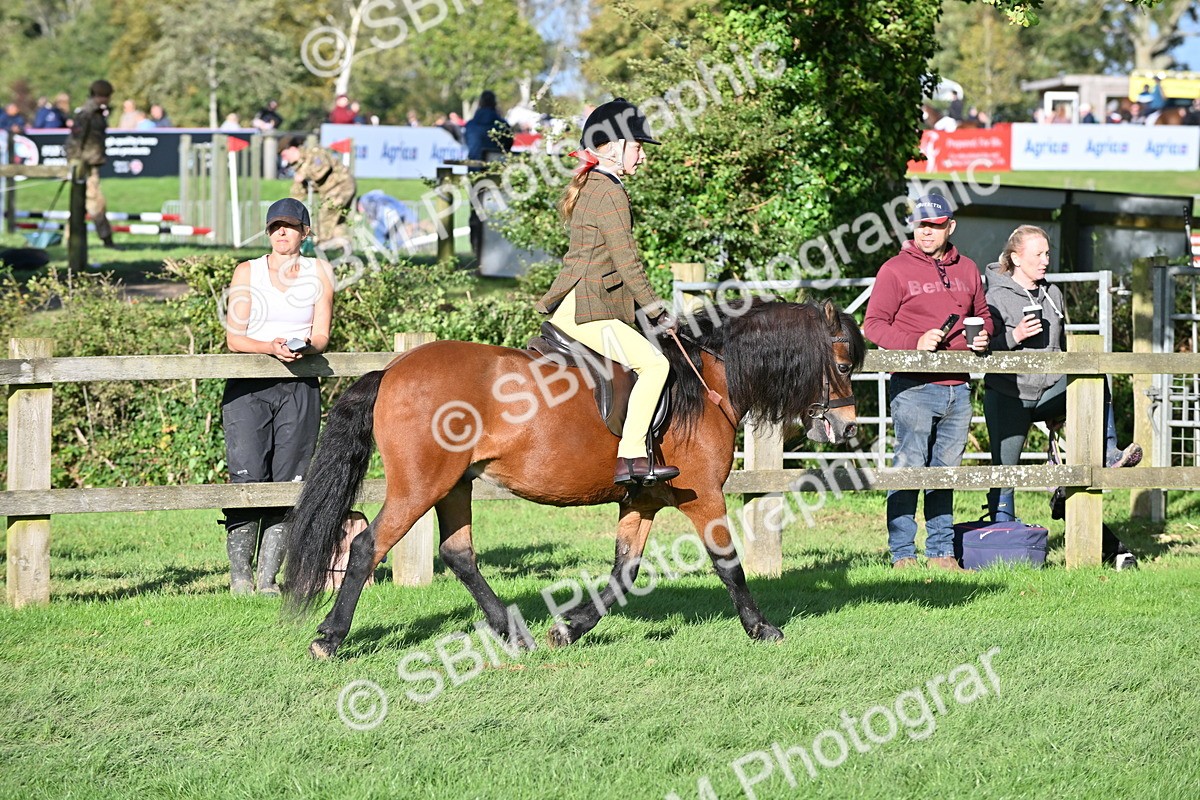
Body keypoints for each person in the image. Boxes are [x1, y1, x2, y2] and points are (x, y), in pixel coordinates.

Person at [535, 98, 679, 486]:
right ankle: (630, 456)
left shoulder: (597, 186)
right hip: (591, 308)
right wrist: (656, 311)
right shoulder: (609, 192)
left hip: (583, 303)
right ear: (614, 147)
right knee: (655, 365)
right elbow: (628, 261)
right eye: (638, 146)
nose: (643, 157)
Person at [863, 193, 992, 571]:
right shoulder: (894, 270)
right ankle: (903, 553)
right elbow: (873, 326)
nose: (927, 233)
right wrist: (914, 344)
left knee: (944, 473)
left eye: (935, 226)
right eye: (921, 225)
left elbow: (983, 315)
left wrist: (983, 334)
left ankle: (940, 552)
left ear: (950, 226)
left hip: (959, 387)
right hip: (914, 387)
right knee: (909, 469)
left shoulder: (968, 269)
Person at [983, 225, 1142, 522]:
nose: (1045, 260)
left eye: (1047, 253)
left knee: (1095, 376)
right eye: (1038, 254)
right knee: (1004, 472)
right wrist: (1014, 336)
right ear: (1016, 258)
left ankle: (1108, 451)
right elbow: (983, 351)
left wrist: (1066, 397)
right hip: (1009, 396)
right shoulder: (995, 296)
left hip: (1048, 391)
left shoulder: (1052, 293)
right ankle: (1001, 539)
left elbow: (1063, 343)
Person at [221, 197, 335, 595]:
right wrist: (270, 346)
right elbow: (234, 338)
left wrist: (306, 346)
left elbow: (322, 333)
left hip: (299, 385)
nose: (280, 233)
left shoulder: (320, 272)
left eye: (288, 226)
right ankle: (240, 576)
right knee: (247, 474)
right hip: (248, 385)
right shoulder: (247, 272)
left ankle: (269, 578)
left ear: (305, 232)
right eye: (274, 227)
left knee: (291, 477)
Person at [65, 79, 115, 249]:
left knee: (80, 203)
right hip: (83, 166)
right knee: (96, 202)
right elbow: (75, 141)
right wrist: (75, 164)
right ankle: (106, 239)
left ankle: (70, 237)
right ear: (102, 96)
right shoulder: (86, 113)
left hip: (90, 164)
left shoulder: (97, 112)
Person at [464, 90, 514, 259]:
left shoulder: (470, 125)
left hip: (475, 174)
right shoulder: (502, 124)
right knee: (497, 213)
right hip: (496, 174)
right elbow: (508, 146)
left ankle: (476, 251)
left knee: (475, 212)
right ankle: (495, 254)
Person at [279, 136, 357, 245]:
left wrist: (305, 174)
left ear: (292, 149)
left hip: (341, 185)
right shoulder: (298, 166)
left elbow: (323, 168)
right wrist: (289, 210)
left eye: (284, 155)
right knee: (337, 223)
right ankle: (344, 253)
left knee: (325, 215)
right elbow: (298, 191)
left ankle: (322, 247)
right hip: (330, 191)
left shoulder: (313, 153)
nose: (285, 159)